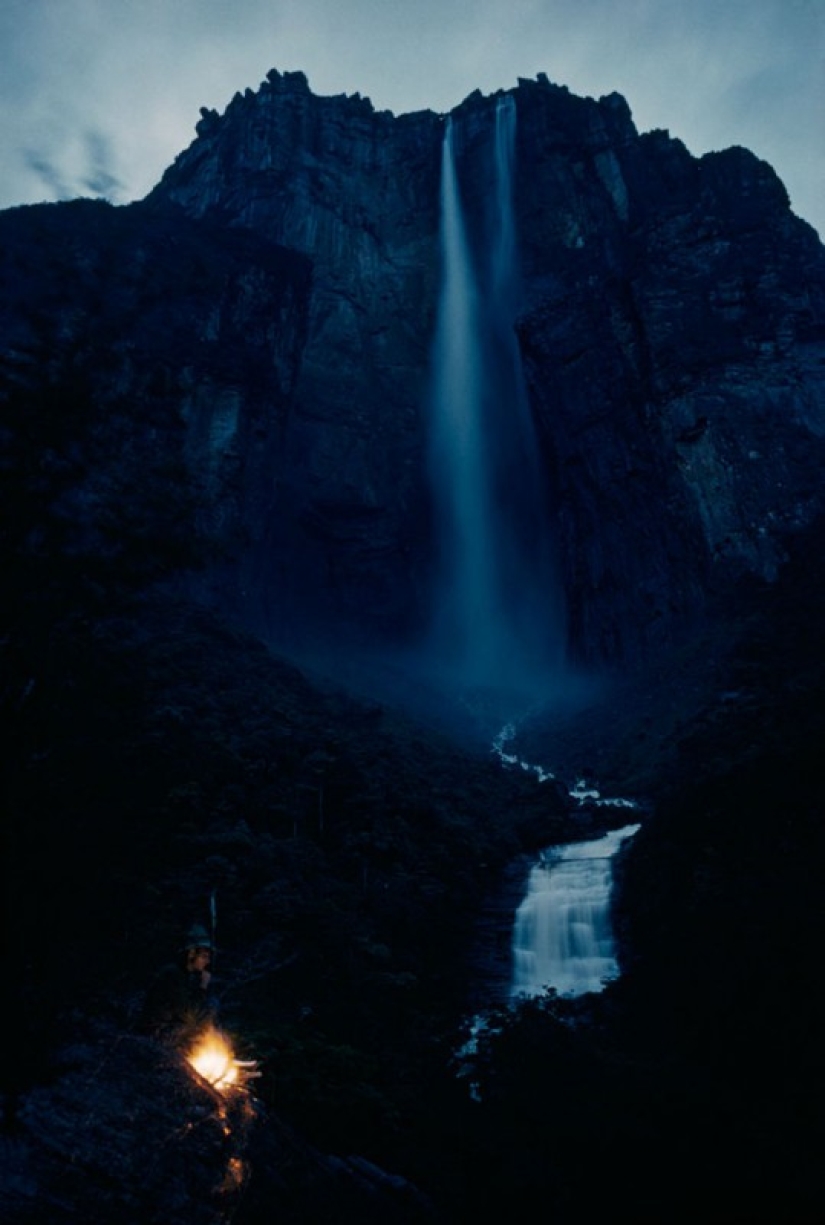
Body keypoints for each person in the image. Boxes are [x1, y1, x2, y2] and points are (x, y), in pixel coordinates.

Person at [141, 922, 219, 1047]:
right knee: (207, 1012)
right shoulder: (172, 976)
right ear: (191, 954)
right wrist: (203, 987)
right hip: (157, 1035)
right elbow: (189, 1015)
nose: (207, 961)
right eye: (204, 957)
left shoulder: (186, 976)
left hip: (168, 1031)